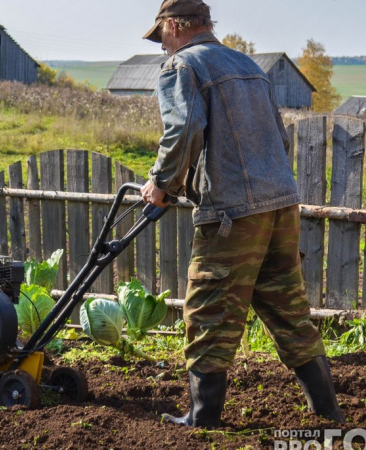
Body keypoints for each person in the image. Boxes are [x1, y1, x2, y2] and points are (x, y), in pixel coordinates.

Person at [139, 0, 345, 428]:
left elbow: (183, 130)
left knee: (208, 310)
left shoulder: (183, 66)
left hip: (232, 213)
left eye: (163, 37)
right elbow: (277, 137)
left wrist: (162, 184)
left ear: (175, 25)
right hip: (280, 204)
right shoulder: (249, 66)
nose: (163, 47)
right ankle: (328, 412)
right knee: (288, 309)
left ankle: (202, 419)